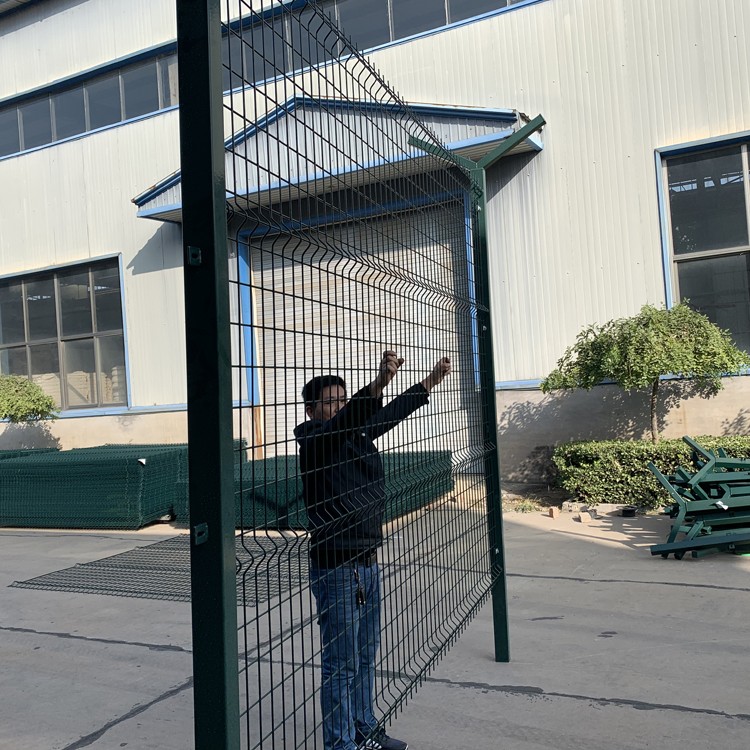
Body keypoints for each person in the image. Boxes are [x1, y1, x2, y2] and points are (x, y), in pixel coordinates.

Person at [295, 351, 451, 750]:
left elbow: (389, 415)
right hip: (336, 566)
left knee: (365, 656)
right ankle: (340, 744)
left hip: (366, 562)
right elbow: (346, 423)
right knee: (341, 662)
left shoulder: (356, 434)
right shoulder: (315, 442)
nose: (339, 406)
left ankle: (364, 727)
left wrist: (428, 383)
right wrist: (379, 384)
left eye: (343, 400)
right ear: (312, 410)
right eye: (330, 402)